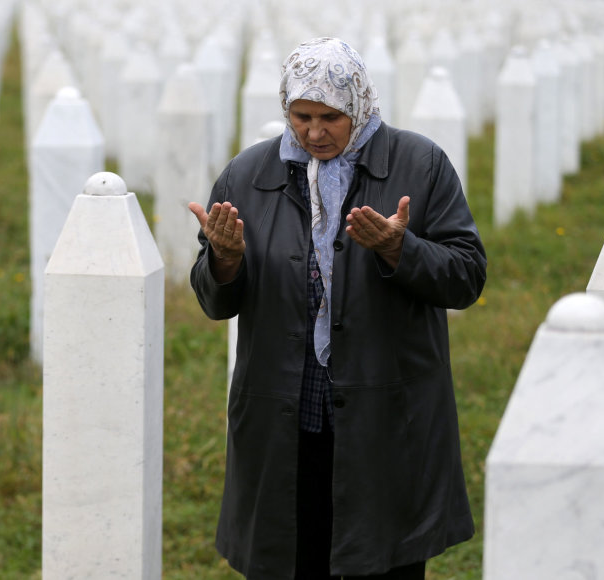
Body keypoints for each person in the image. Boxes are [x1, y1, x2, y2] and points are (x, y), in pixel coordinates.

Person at [187, 37, 486, 580]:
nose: (314, 132)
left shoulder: (420, 166)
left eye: (331, 117)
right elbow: (214, 299)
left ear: (360, 105)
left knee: (382, 560)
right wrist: (224, 261)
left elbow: (466, 277)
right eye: (301, 116)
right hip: (285, 420)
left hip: (385, 419)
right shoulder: (249, 176)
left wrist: (400, 248)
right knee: (290, 556)